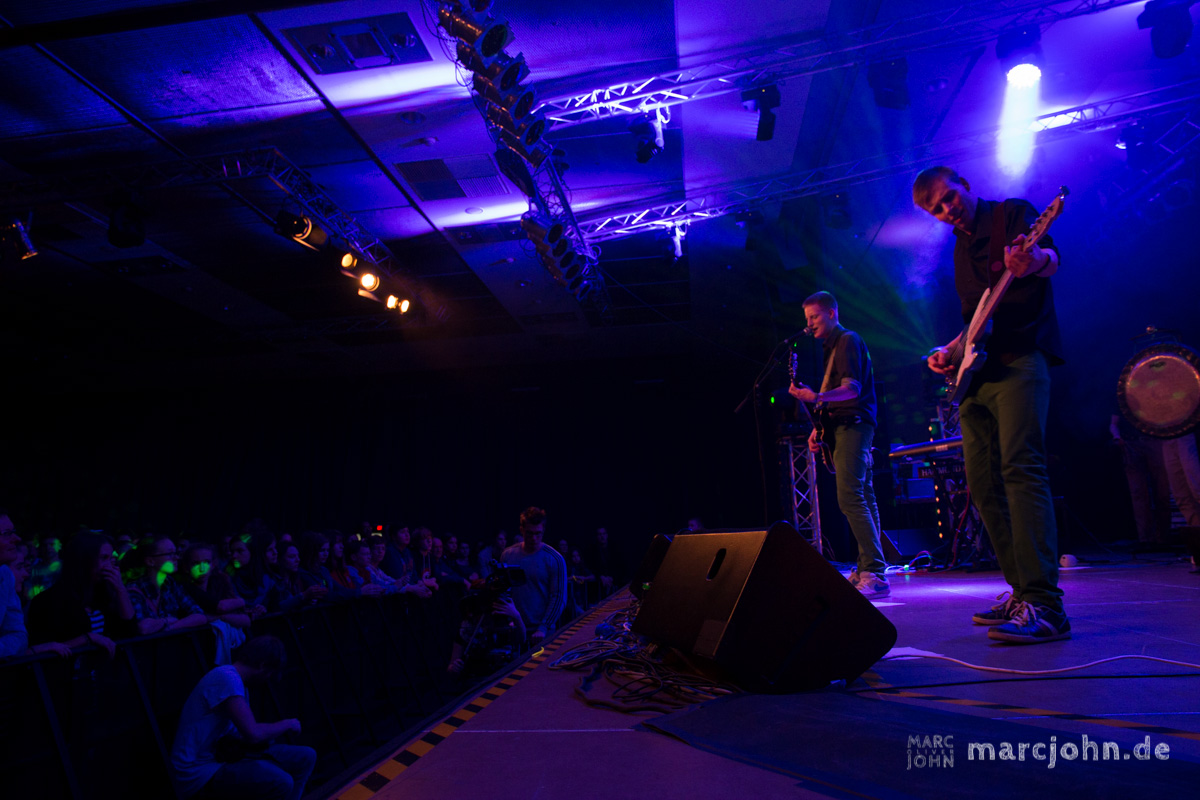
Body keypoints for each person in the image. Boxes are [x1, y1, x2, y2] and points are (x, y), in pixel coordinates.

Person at [915, 165, 1068, 644]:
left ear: (964, 183)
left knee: (1022, 470)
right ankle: (1021, 593)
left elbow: (1051, 259)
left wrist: (1032, 259)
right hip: (976, 376)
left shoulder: (1012, 215)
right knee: (982, 485)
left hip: (1019, 360)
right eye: (936, 209)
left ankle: (1046, 604)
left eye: (948, 197)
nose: (947, 210)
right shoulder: (960, 248)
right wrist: (949, 351)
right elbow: (978, 314)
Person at [789, 290, 889, 599]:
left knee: (850, 496)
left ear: (832, 313)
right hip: (847, 425)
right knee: (864, 496)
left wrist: (816, 397)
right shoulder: (834, 346)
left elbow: (852, 390)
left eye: (814, 316)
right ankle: (868, 566)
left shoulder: (847, 340)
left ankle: (874, 571)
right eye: (807, 319)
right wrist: (818, 428)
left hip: (854, 426)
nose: (809, 324)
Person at [170, 635, 316, 800]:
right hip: (198, 771)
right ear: (262, 666)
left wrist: (266, 739)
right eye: (269, 674)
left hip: (219, 758)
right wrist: (287, 724)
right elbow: (252, 733)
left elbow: (240, 734)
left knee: (306, 756)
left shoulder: (238, 684)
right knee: (282, 781)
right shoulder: (226, 679)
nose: (268, 680)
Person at [26, 531, 138, 658]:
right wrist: (86, 639)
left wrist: (120, 589)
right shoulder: (48, 601)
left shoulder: (104, 593)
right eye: (104, 558)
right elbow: (42, 650)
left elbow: (130, 631)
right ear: (84, 560)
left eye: (111, 559)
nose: (110, 566)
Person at [499, 507, 566, 645]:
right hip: (515, 627)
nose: (534, 538)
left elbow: (559, 597)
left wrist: (543, 627)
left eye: (538, 533)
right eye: (529, 533)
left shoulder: (554, 558)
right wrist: (509, 619)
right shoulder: (508, 555)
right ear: (522, 530)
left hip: (542, 632)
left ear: (543, 531)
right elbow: (503, 590)